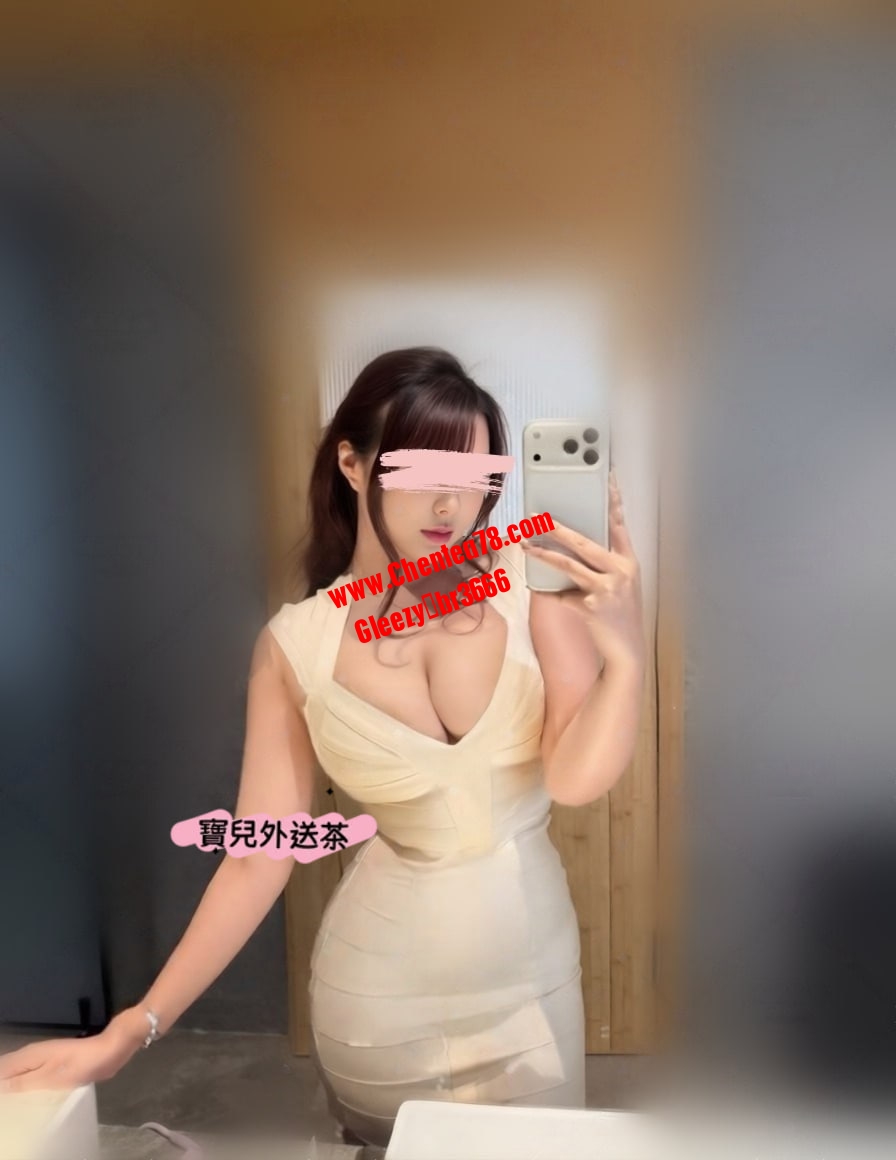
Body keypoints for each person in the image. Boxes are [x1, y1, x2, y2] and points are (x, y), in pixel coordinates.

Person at [0, 346, 646, 1149]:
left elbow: (577, 778)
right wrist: (133, 1027)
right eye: (420, 470)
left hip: (531, 993)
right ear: (352, 462)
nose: (451, 501)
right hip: (379, 1010)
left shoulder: (529, 580)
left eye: (475, 475)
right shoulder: (296, 644)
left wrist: (626, 655)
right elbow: (256, 857)